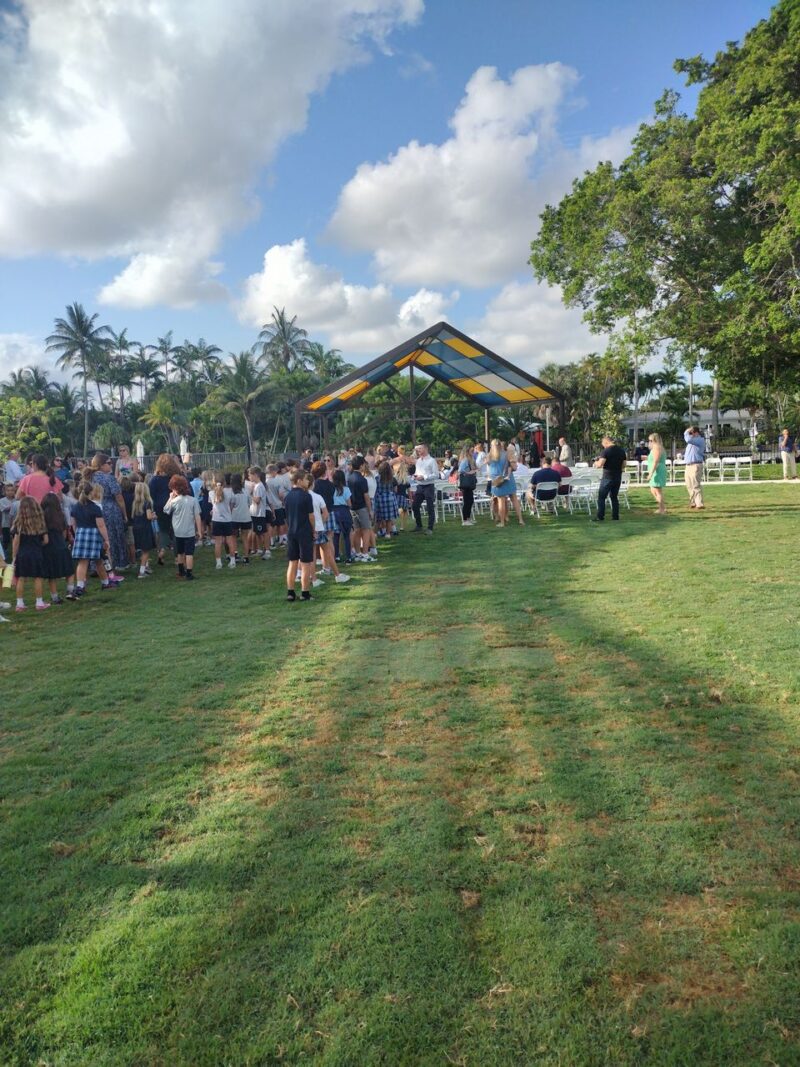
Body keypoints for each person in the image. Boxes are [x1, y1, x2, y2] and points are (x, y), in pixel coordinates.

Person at [71, 477, 114, 596]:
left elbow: (73, 524)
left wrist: (77, 534)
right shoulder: (95, 508)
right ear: (91, 492)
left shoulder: (75, 507)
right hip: (94, 535)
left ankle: (80, 586)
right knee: (99, 560)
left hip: (80, 533)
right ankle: (105, 583)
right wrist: (106, 539)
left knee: (82, 562)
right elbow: (101, 525)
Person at [90, 452, 128, 572]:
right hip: (110, 509)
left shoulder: (89, 478)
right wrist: (124, 514)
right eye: (109, 463)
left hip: (93, 509)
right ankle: (116, 563)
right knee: (113, 536)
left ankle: (97, 565)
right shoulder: (109, 478)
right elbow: (119, 497)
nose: (112, 465)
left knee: (98, 537)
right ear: (101, 465)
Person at [11, 496, 49, 611]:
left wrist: (14, 556)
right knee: (38, 578)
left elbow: (16, 542)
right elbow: (46, 540)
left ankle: (19, 604)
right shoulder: (40, 522)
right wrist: (38, 544)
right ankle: (39, 602)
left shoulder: (19, 524)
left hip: (22, 553)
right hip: (36, 553)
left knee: (21, 578)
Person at [284, 469, 315, 601]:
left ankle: (290, 592)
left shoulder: (287, 496)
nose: (308, 482)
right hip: (304, 532)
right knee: (306, 563)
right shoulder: (306, 496)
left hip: (291, 532)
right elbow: (311, 516)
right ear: (299, 480)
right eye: (306, 479)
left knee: (292, 562)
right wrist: (314, 530)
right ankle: (305, 592)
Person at [163, 475, 202, 580]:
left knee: (180, 552)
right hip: (189, 531)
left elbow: (166, 510)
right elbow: (197, 516)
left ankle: (181, 572)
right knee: (189, 553)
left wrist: (170, 498)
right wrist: (199, 531)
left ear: (175, 489)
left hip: (177, 532)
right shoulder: (193, 500)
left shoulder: (174, 501)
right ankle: (189, 573)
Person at [40, 492, 76, 602]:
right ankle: (70, 591)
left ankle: (55, 597)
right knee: (69, 570)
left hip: (48, 548)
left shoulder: (41, 517)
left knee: (52, 575)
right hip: (61, 546)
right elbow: (64, 534)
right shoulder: (61, 515)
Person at [149, 454, 182, 564]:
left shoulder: (154, 480)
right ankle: (177, 557)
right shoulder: (176, 478)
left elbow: (151, 495)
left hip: (160, 508)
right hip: (175, 505)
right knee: (176, 532)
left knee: (163, 530)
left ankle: (162, 550)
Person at [487, 439, 521, 528]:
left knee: (500, 501)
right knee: (514, 499)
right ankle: (520, 520)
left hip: (497, 480)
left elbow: (488, 467)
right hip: (508, 479)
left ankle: (502, 522)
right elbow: (514, 467)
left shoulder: (490, 456)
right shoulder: (507, 454)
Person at [592, 435, 627, 521]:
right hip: (617, 476)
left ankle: (600, 516)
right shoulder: (621, 451)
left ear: (606, 442)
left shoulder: (606, 451)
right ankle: (615, 516)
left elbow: (600, 464)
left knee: (601, 497)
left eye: (603, 444)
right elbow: (624, 464)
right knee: (614, 497)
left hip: (607, 477)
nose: (603, 446)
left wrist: (596, 462)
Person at [347, 456, 374, 561]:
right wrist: (370, 510)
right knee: (366, 530)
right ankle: (365, 554)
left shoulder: (349, 478)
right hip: (362, 507)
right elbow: (366, 496)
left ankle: (358, 553)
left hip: (352, 507)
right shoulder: (362, 479)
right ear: (361, 465)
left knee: (357, 531)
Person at [210, 473, 237, 569]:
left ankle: (218, 563)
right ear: (224, 482)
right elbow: (232, 505)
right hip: (227, 519)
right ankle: (233, 561)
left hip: (216, 520)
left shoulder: (211, 493)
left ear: (214, 482)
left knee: (218, 543)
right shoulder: (230, 492)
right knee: (230, 541)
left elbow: (213, 505)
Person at [130, 481, 156, 578]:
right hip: (145, 528)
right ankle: (141, 572)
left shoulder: (135, 503)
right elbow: (149, 517)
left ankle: (146, 567)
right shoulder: (147, 503)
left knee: (142, 549)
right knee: (146, 550)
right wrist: (154, 516)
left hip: (136, 528)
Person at [411, 443, 439, 535]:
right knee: (415, 506)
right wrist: (415, 476)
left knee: (430, 507)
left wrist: (424, 477)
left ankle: (430, 528)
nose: (418, 450)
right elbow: (417, 472)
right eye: (417, 449)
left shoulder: (432, 461)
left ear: (426, 449)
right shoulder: (419, 461)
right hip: (420, 486)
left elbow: (436, 475)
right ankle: (419, 525)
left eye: (420, 449)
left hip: (428, 486)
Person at [331, 469, 354, 564]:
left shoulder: (331, 489)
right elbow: (349, 504)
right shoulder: (346, 489)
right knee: (346, 536)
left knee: (336, 536)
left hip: (334, 512)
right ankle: (348, 557)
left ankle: (336, 556)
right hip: (344, 512)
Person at [373, 461, 399, 538]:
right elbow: (395, 490)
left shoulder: (376, 478)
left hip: (379, 499)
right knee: (389, 518)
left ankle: (374, 534)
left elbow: (374, 489)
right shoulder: (392, 478)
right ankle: (388, 534)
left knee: (378, 519)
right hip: (390, 499)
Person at [683, 426, 706, 510]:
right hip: (688, 465)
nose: (690, 435)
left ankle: (699, 503)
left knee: (695, 484)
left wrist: (687, 431)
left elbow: (688, 439)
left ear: (696, 433)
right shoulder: (691, 442)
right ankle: (693, 502)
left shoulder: (700, 440)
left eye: (691, 433)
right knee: (689, 485)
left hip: (696, 464)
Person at [646, 433, 668, 515]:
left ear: (654, 440)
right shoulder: (656, 448)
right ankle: (662, 507)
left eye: (651, 440)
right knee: (653, 489)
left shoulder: (657, 447)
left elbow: (656, 461)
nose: (649, 442)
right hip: (656, 470)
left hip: (657, 471)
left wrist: (651, 474)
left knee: (657, 490)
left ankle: (662, 509)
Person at [458, 443, 477, 526]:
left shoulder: (470, 459)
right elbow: (460, 470)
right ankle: (465, 520)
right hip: (466, 483)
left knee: (470, 501)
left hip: (468, 483)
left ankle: (468, 518)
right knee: (467, 501)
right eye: (471, 450)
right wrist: (470, 472)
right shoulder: (465, 460)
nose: (473, 451)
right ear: (467, 451)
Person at [0, 483, 17, 556]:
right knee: (6, 540)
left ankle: (15, 553)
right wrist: (13, 506)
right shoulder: (2, 500)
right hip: (6, 524)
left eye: (12, 490)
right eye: (8, 490)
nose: (10, 492)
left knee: (15, 539)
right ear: (5, 491)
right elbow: (4, 509)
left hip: (15, 523)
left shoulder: (16, 500)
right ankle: (4, 554)